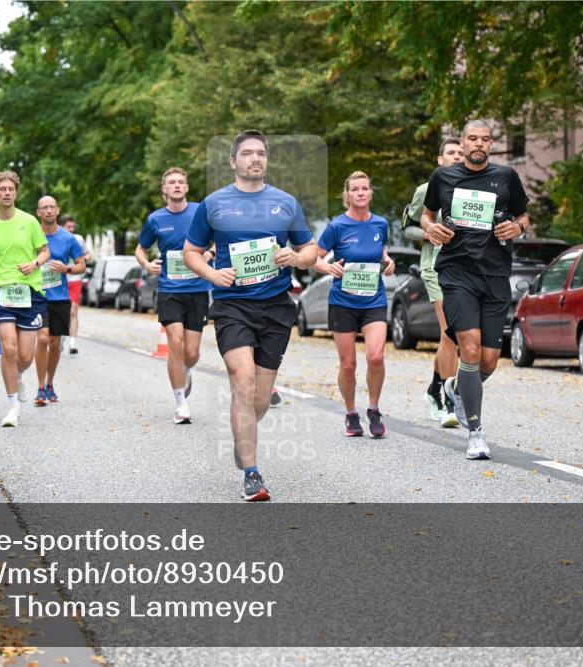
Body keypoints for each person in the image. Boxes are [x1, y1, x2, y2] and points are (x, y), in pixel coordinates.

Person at [184, 129, 317, 501]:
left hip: (276, 306)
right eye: (247, 154)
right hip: (232, 305)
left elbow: (310, 250)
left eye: (260, 153)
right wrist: (212, 274)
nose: (255, 159)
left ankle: (243, 440)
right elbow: (191, 251)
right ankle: (253, 472)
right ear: (233, 161)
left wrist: (295, 257)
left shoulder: (286, 203)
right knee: (241, 380)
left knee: (258, 400)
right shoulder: (213, 204)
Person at [420, 119, 531, 460]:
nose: (479, 143)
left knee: (488, 361)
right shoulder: (444, 177)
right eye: (472, 138)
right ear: (462, 142)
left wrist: (517, 228)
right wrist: (431, 229)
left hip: (495, 275)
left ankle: (458, 388)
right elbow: (424, 215)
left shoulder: (506, 177)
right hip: (456, 274)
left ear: (491, 143)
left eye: (485, 139)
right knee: (467, 347)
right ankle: (476, 433)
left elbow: (525, 217)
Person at [314, 171, 395, 438]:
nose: (360, 193)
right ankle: (350, 413)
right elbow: (313, 257)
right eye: (355, 189)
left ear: (371, 193)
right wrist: (328, 268)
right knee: (348, 364)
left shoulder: (381, 224)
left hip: (374, 300)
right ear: (347, 195)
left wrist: (387, 260)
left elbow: (380, 249)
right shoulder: (337, 226)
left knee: (376, 356)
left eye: (365, 188)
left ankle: (373, 408)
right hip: (343, 302)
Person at [0, 171, 49, 427]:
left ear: (16, 193)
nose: (6, 192)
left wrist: (34, 263)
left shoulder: (29, 222)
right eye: (2, 189)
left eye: (10, 189)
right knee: (9, 348)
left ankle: (19, 376)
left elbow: (45, 251)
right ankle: (13, 406)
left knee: (25, 356)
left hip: (29, 291)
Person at [136, 167, 213, 424]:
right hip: (170, 290)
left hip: (198, 289)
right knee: (175, 344)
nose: (177, 186)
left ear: (187, 188)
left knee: (191, 352)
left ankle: (187, 370)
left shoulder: (200, 211)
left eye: (181, 182)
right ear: (164, 190)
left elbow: (216, 240)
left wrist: (209, 255)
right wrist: (147, 265)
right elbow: (140, 248)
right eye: (172, 183)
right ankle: (181, 404)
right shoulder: (156, 219)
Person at [403, 138, 465, 428]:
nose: (456, 157)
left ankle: (433, 389)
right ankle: (449, 396)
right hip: (435, 267)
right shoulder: (426, 190)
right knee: (450, 333)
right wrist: (428, 233)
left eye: (460, 153)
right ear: (440, 159)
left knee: (452, 337)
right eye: (450, 153)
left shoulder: (472, 191)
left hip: (465, 268)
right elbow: (408, 227)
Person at [34, 196, 85, 405]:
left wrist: (67, 269)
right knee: (43, 339)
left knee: (55, 343)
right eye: (44, 208)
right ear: (38, 212)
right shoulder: (32, 236)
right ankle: (39, 388)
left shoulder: (68, 238)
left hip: (60, 297)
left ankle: (49, 383)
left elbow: (81, 265)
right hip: (38, 296)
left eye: (51, 207)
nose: (48, 211)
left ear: (57, 210)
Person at [61, 215, 90, 354]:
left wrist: (85, 257)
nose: (71, 230)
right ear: (62, 227)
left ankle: (72, 343)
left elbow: (87, 254)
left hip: (75, 279)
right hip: (59, 279)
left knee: (73, 310)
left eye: (73, 227)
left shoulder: (78, 239)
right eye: (68, 227)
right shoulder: (57, 238)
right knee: (61, 311)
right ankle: (59, 337)